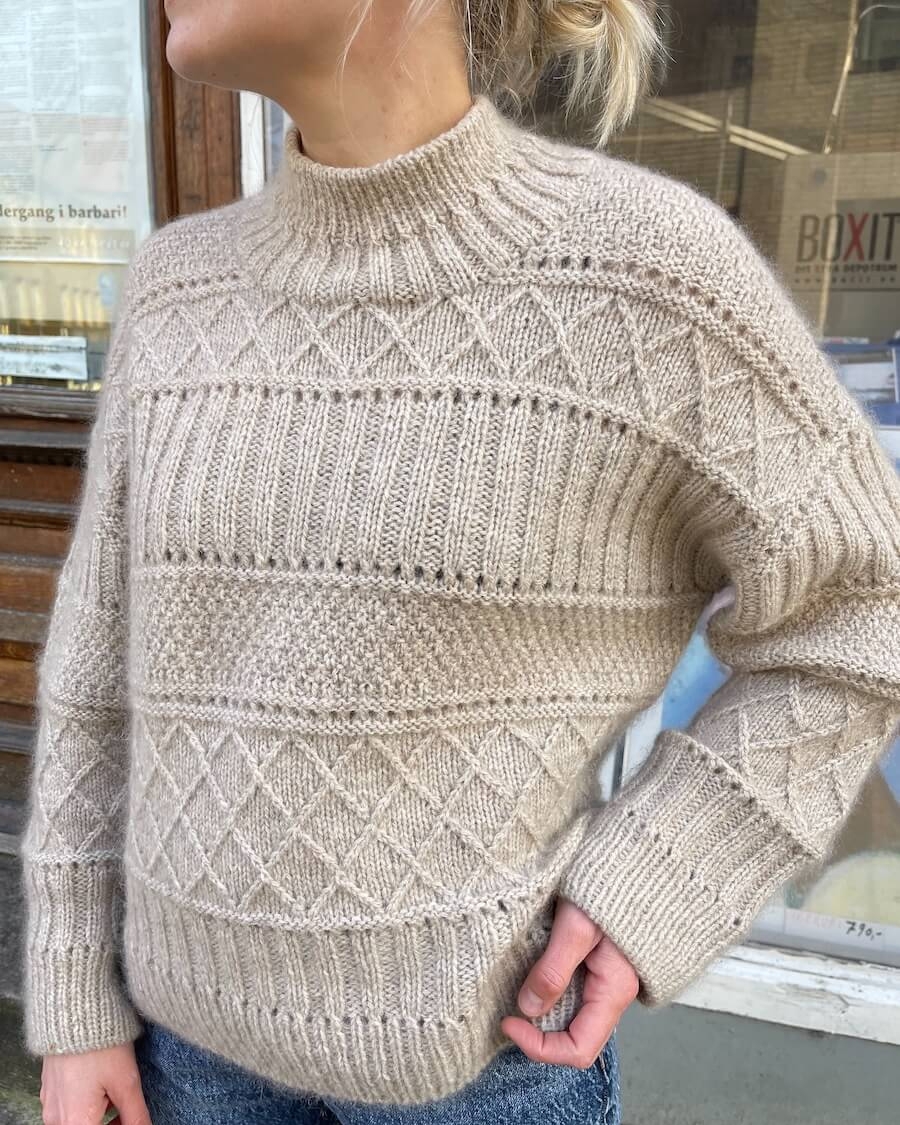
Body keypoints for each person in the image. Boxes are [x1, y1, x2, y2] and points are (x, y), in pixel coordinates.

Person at [20, 1, 900, 1123]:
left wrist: (664, 871)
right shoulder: (174, 293)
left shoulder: (649, 280)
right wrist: (74, 1001)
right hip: (182, 1062)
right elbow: (97, 678)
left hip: (485, 1064)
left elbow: (863, 608)